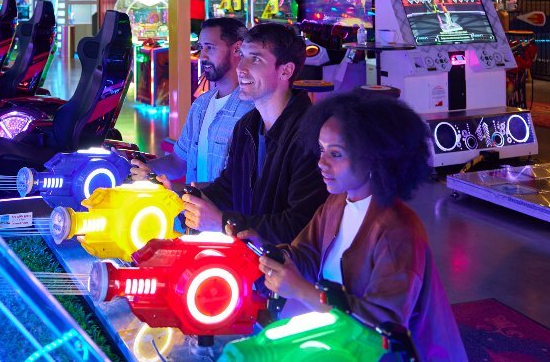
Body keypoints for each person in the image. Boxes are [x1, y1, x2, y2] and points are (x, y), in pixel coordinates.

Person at [257, 92, 467, 361]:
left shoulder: (397, 231)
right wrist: (268, 253)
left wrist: (302, 291)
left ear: (374, 159)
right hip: (343, 344)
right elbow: (306, 255)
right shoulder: (336, 203)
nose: (321, 163)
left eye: (336, 154)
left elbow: (382, 330)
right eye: (321, 150)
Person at [183, 23, 326, 244]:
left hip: (285, 271)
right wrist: (180, 200)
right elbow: (230, 189)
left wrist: (223, 222)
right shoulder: (247, 126)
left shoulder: (311, 134)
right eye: (243, 56)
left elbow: (300, 224)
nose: (241, 67)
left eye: (256, 59)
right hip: (249, 264)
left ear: (285, 71)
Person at [130, 18, 254, 188]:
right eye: (201, 48)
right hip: (193, 212)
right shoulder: (201, 105)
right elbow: (178, 162)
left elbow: (240, 186)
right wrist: (143, 169)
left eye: (210, 47)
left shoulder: (252, 110)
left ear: (237, 49)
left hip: (223, 214)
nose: (202, 56)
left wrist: (180, 192)